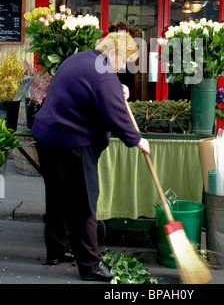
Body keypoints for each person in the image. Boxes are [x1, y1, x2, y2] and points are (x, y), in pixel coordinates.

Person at [32, 31, 150, 282]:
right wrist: (137, 139)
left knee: (58, 198)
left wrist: (116, 89)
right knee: (83, 203)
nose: (124, 65)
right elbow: (113, 113)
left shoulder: (81, 59)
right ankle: (90, 265)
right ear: (114, 52)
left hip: (47, 137)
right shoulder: (104, 74)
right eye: (125, 59)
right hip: (71, 143)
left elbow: (90, 89)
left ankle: (57, 250)